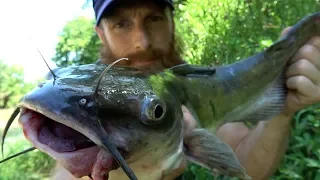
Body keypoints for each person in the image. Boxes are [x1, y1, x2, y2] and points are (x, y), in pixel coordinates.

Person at [52, 0, 320, 179]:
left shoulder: (194, 87)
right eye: (121, 24)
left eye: (154, 18)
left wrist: (280, 111)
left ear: (171, 20)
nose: (141, 42)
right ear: (101, 34)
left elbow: (251, 166)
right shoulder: (81, 96)